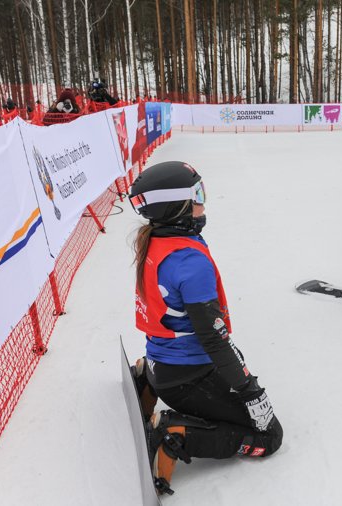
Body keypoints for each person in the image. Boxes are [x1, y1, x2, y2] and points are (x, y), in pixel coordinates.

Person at [128, 161, 283, 495]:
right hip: (185, 378)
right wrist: (249, 390)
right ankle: (176, 433)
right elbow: (213, 340)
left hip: (163, 365)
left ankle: (146, 379)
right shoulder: (188, 260)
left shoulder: (157, 240)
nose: (203, 202)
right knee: (269, 436)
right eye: (197, 194)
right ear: (177, 206)